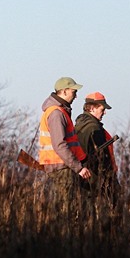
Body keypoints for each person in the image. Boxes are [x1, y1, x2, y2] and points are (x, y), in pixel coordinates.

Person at [39, 77, 92, 208]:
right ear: (64, 91)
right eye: (73, 92)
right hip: (61, 168)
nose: (76, 96)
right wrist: (78, 167)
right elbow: (59, 145)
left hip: (60, 167)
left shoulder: (58, 111)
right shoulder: (57, 113)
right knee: (67, 209)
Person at [74, 92, 119, 202]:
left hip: (82, 177)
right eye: (102, 109)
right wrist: (109, 179)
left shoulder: (79, 125)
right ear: (92, 108)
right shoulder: (94, 128)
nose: (104, 113)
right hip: (94, 179)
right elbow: (101, 158)